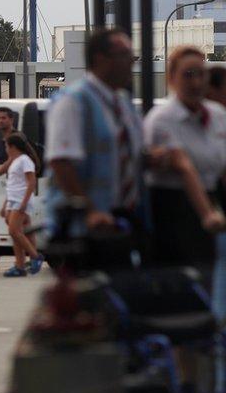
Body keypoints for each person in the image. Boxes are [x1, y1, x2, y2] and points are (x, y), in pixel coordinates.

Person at [143, 46, 226, 272]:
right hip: (172, 210)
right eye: (188, 75)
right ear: (172, 79)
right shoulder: (162, 119)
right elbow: (184, 167)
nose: (195, 83)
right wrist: (208, 215)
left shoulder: (218, 116)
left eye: (201, 74)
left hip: (210, 204)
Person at [45, 29, 153, 244]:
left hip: (125, 219)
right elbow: (61, 161)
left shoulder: (123, 102)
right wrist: (90, 212)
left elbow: (132, 151)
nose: (131, 63)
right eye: (125, 56)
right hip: (85, 227)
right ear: (100, 59)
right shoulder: (73, 101)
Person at [0, 133, 45, 277]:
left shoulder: (25, 160)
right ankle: (19, 266)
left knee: (14, 231)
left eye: (7, 146)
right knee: (18, 233)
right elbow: (12, 184)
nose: (6, 149)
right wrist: (5, 204)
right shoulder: (14, 161)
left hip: (21, 200)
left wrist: (24, 203)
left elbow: (31, 182)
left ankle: (35, 256)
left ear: (12, 146)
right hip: (13, 200)